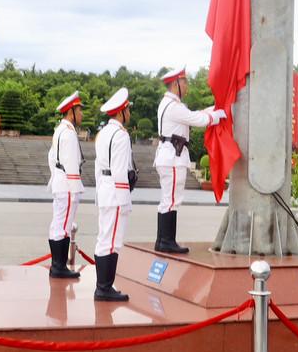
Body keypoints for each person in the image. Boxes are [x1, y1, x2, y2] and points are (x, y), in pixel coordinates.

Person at [153, 67, 225, 253]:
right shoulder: (174, 106)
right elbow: (197, 119)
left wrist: (213, 109)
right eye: (184, 82)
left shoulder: (168, 104)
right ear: (176, 84)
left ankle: (162, 241)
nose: (187, 86)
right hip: (173, 158)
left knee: (167, 200)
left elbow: (193, 114)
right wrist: (217, 115)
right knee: (172, 200)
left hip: (168, 156)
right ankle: (167, 241)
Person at [93, 87, 136, 301]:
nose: (129, 114)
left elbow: (97, 166)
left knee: (104, 238)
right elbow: (120, 170)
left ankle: (103, 286)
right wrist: (125, 194)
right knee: (112, 241)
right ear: (121, 111)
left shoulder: (102, 133)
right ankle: (104, 288)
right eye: (128, 110)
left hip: (104, 189)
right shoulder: (120, 135)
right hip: (116, 192)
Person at [45, 91, 85, 279]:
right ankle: (60, 266)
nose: (82, 114)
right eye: (79, 110)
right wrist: (75, 188)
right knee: (64, 225)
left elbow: (52, 157)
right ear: (71, 112)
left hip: (60, 182)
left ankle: (56, 265)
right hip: (68, 185)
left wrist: (56, 176)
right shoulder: (68, 133)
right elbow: (71, 164)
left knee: (57, 223)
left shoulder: (59, 131)